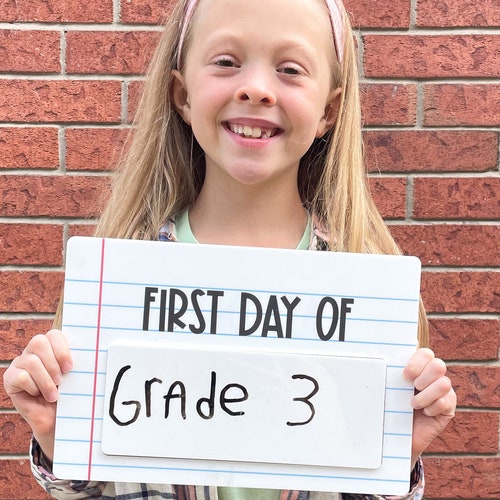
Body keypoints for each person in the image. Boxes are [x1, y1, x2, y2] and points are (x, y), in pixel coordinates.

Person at [3, 0, 457, 498]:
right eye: (226, 62)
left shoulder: (370, 296)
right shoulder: (118, 286)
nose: (256, 88)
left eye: (289, 69)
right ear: (181, 95)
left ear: (329, 110)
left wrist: (395, 458)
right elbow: (91, 486)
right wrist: (58, 439)